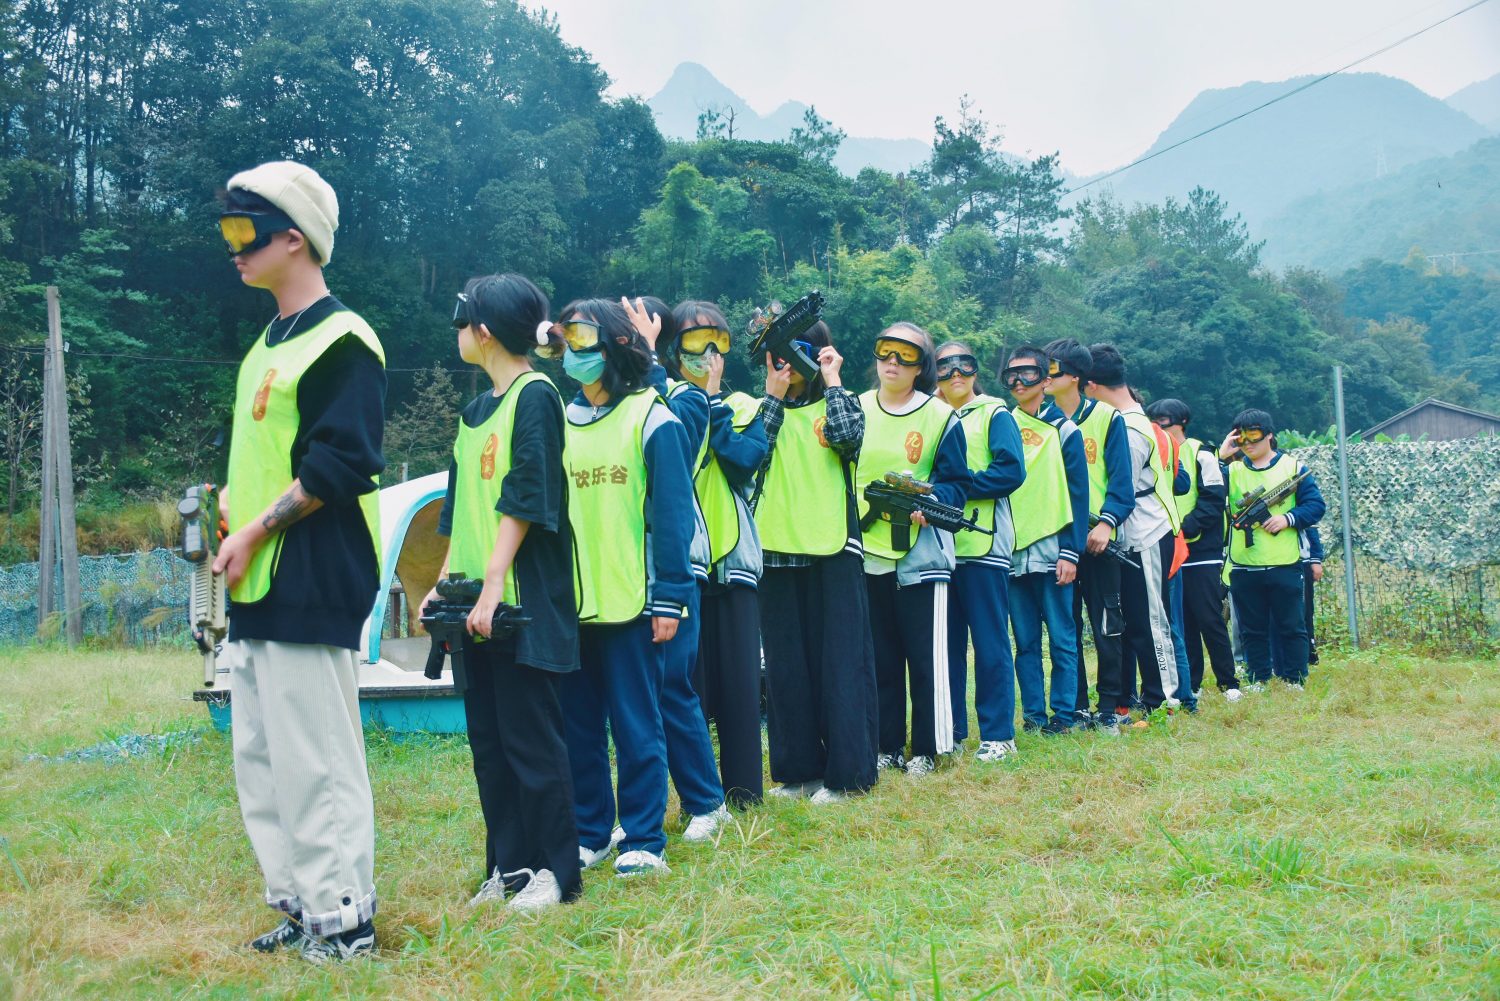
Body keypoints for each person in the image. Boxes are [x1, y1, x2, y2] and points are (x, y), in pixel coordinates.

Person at [212, 161, 384, 961]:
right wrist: (229, 507)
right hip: (256, 583)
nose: (233, 247)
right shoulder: (264, 347)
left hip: (311, 573)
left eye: (244, 231)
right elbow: (265, 454)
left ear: (294, 238)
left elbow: (339, 462)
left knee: (316, 754)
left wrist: (255, 530)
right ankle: (299, 903)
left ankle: (345, 917)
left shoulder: (344, 341)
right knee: (264, 755)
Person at [425, 275, 580, 913]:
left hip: (519, 603)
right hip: (473, 604)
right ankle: (509, 866)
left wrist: (493, 585)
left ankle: (556, 872)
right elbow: (461, 506)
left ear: (482, 331)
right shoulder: (473, 412)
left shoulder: (535, 395)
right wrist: (444, 582)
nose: (457, 334)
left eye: (462, 323)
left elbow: (526, 492)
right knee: (489, 743)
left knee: (531, 739)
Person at [556, 299, 696, 877]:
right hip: (573, 605)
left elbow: (672, 518)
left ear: (615, 347)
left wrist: (670, 597)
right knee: (580, 728)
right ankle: (593, 832)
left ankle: (644, 839)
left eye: (583, 342)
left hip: (635, 602)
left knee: (639, 726)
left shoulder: (653, 418)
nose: (572, 355)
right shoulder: (561, 419)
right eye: (566, 342)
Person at [754, 321, 880, 804]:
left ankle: (850, 776)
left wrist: (831, 379)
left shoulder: (839, 403)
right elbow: (750, 455)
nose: (790, 361)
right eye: (780, 352)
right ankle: (799, 770)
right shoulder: (757, 406)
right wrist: (774, 392)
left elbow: (849, 439)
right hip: (775, 549)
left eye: (801, 350)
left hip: (833, 547)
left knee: (842, 664)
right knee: (787, 667)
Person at [622, 296, 729, 842]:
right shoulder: (613, 402)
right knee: (633, 694)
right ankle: (635, 813)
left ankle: (707, 803)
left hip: (677, 563)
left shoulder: (686, 396)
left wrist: (648, 357)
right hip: (621, 568)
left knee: (670, 686)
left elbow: (681, 451)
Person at [858, 323, 973, 777]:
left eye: (906, 356)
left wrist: (931, 502)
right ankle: (886, 745)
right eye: (885, 352)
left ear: (921, 367)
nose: (892, 363)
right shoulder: (855, 408)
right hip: (864, 553)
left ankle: (929, 747)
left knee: (927, 659)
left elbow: (957, 485)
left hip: (920, 558)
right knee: (880, 658)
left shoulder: (940, 416)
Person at [671, 299, 769, 807]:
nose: (709, 353)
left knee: (737, 686)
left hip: (732, 565)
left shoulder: (743, 405)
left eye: (719, 343)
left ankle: (743, 793)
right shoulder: (659, 406)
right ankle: (696, 797)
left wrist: (710, 400)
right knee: (686, 687)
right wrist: (694, 400)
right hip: (678, 563)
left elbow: (744, 460)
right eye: (694, 342)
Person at [933, 341, 1025, 761]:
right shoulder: (928, 414)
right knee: (944, 647)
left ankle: (998, 734)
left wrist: (956, 485)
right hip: (936, 548)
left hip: (983, 543)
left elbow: (1010, 471)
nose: (955, 374)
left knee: (989, 643)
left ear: (975, 371)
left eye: (963, 366)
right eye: (944, 367)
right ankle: (949, 732)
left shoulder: (994, 412)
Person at [1084, 345, 1184, 722]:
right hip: (1132, 536)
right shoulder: (1135, 420)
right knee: (1132, 622)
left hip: (1145, 534)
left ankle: (1165, 701)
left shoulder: (1127, 426)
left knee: (1150, 621)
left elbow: (1119, 485)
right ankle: (1139, 698)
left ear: (1091, 385)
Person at [1042, 338, 1134, 728]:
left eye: (1052, 369)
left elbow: (1122, 484)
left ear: (1075, 377)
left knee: (1107, 624)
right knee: (1065, 629)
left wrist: (1106, 522)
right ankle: (1074, 705)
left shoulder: (1106, 418)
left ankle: (1111, 706)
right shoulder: (1038, 420)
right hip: (1058, 541)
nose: (1043, 377)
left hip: (1098, 544)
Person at [1004, 346, 1089, 736]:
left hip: (1054, 547)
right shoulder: (1002, 424)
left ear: (1045, 380)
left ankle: (1064, 716)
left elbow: (1078, 493)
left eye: (1028, 375)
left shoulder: (1066, 430)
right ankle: (1034, 717)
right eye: (1011, 375)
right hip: (1011, 548)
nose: (1018, 383)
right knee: (1023, 642)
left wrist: (1071, 551)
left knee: (1062, 638)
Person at [1217, 410, 1326, 690]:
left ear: (1269, 436)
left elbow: (1315, 506)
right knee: (1252, 629)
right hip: (1243, 564)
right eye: (1241, 438)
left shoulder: (1292, 468)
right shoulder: (1233, 470)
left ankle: (1294, 678)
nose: (1248, 444)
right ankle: (1259, 677)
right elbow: (1211, 495)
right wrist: (1221, 458)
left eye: (1253, 436)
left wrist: (1287, 519)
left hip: (1285, 562)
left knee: (1292, 625)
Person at [1146, 398, 1239, 701]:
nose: (1160, 427)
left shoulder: (1201, 453)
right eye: (1155, 421)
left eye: (1165, 421)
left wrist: (1185, 529)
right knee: (1182, 621)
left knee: (1209, 617)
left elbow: (1213, 499)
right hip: (1168, 548)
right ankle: (1193, 684)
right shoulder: (1155, 451)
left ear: (1182, 422)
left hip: (1200, 551)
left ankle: (1229, 682)